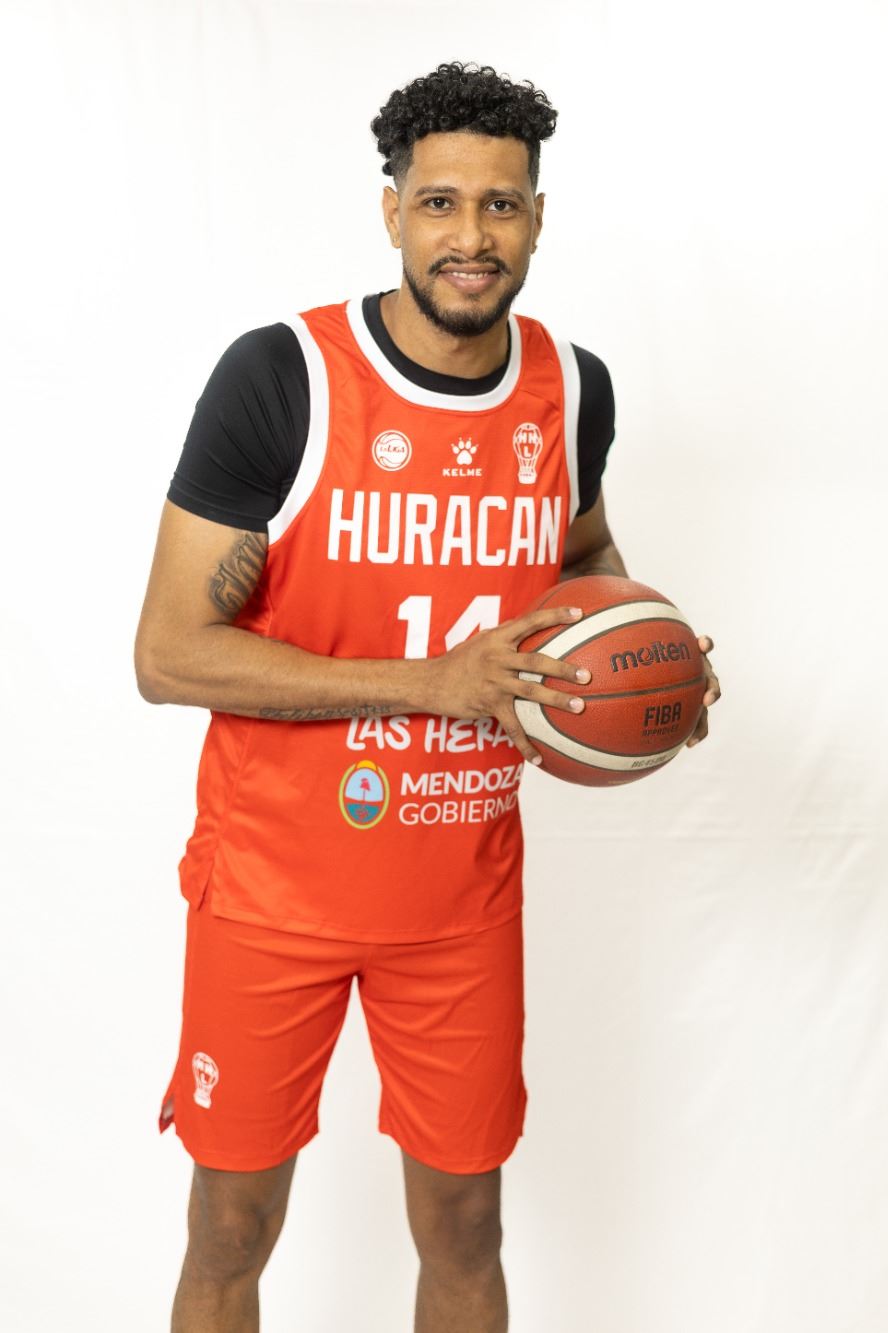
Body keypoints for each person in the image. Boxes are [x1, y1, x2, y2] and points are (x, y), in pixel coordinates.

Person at [135, 59, 720, 1333]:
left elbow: (583, 554)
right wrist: (437, 683)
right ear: (393, 209)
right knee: (231, 1224)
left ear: (538, 217)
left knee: (466, 1225)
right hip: (272, 886)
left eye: (500, 205)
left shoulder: (574, 389)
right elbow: (170, 653)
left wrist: (648, 657)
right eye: (442, 202)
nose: (471, 236)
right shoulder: (282, 377)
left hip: (459, 891)